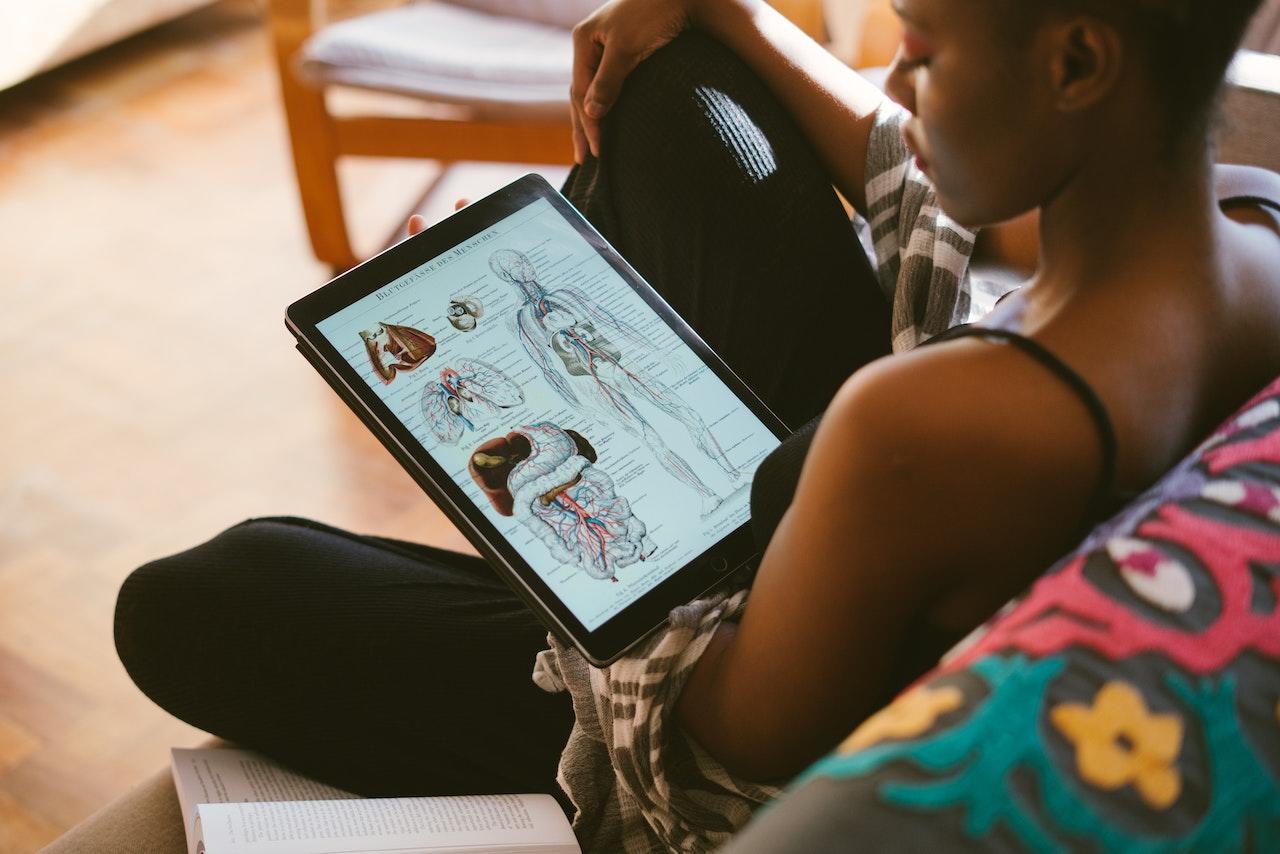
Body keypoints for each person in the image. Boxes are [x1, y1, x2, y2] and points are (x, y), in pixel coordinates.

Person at [114, 0, 1280, 851]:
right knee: (675, 83)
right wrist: (725, 6)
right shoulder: (1247, 224)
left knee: (200, 594)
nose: (900, 79)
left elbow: (709, 764)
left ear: (1077, 60)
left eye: (919, 47)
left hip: (751, 651)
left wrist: (532, 434)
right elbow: (938, 203)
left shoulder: (928, 425)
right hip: (871, 542)